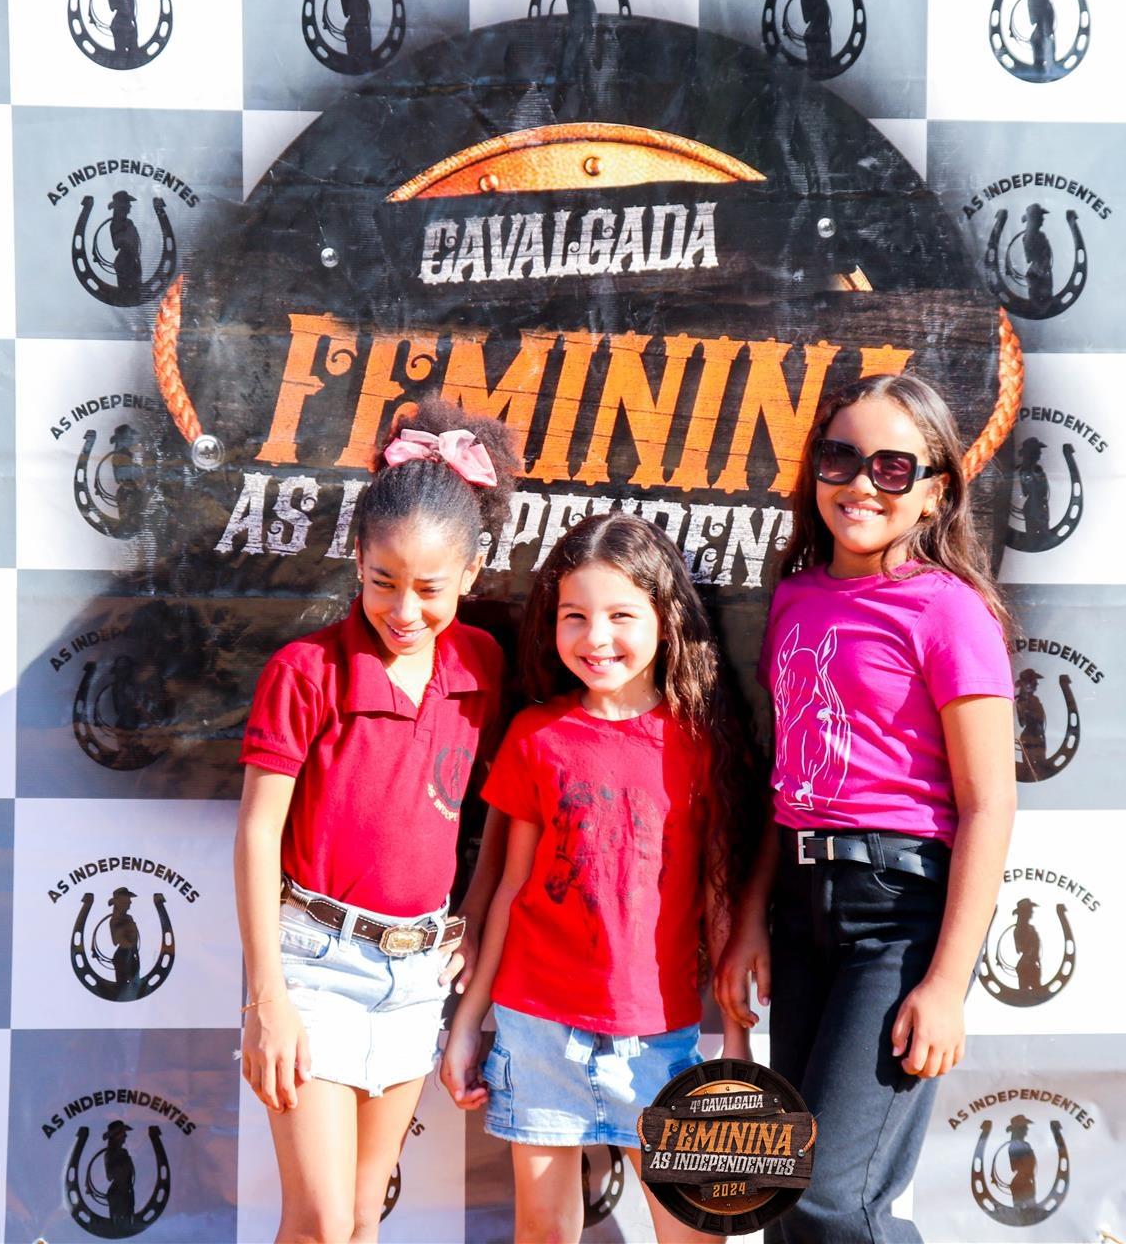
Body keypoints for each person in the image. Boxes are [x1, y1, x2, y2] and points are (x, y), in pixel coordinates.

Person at [716, 372, 1018, 1242]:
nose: (860, 483)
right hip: (801, 910)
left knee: (833, 1201)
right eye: (841, 457)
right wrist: (750, 918)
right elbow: (789, 777)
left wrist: (947, 984)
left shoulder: (949, 612)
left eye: (892, 467)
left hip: (897, 919)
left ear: (935, 493)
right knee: (786, 1195)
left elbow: (990, 805)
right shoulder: (796, 597)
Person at [234, 400, 518, 1243]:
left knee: (362, 1218)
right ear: (357, 557)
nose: (404, 610)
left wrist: (474, 909)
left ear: (471, 573)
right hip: (313, 968)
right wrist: (268, 999)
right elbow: (256, 835)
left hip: (417, 974)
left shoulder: (482, 664)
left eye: (430, 589)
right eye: (383, 581)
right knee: (320, 1222)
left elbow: (500, 805)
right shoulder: (305, 671)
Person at [441, 512, 758, 1244]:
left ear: (666, 619)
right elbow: (511, 890)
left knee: (696, 1232)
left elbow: (718, 896)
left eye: (621, 615)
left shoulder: (700, 742)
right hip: (536, 1032)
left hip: (661, 1040)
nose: (596, 638)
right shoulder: (536, 736)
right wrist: (467, 1024)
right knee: (544, 1233)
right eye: (575, 616)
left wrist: (738, 1042)